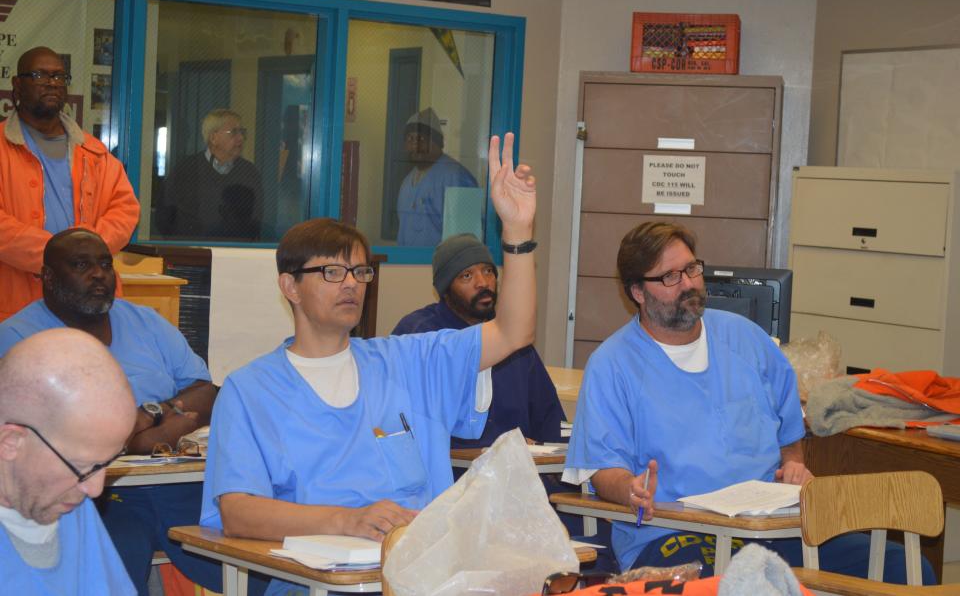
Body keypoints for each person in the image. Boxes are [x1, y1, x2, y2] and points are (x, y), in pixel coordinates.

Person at [200, 133, 536, 596]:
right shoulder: (251, 390)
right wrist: (346, 521)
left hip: (425, 578)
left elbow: (513, 331)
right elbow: (237, 510)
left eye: (360, 272)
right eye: (331, 273)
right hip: (317, 583)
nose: (351, 285)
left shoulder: (408, 360)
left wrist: (517, 233)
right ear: (290, 286)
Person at [564, 221, 936, 583]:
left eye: (692, 269)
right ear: (638, 292)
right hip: (671, 531)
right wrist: (631, 488)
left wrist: (792, 464)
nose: (690, 284)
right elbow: (602, 469)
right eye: (670, 277)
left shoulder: (745, 339)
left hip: (768, 525)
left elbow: (788, 431)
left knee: (904, 567)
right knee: (740, 584)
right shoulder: (612, 365)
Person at [0, 228, 221, 595]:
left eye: (105, 264)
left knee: (246, 555)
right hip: (94, 496)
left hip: (175, 480)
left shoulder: (146, 322)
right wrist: (139, 436)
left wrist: (151, 422)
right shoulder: (20, 339)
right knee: (119, 549)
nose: (99, 274)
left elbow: (206, 391)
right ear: (49, 278)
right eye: (81, 265)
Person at [0, 46, 139, 321]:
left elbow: (125, 211)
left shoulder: (93, 150)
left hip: (91, 303)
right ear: (17, 84)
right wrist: (59, 257)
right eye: (40, 75)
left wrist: (85, 258)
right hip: (18, 303)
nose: (52, 83)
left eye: (59, 77)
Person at [392, 232, 564, 449]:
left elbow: (550, 419)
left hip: (521, 473)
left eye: (488, 271)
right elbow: (404, 425)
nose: (483, 283)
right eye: (467, 276)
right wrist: (502, 449)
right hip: (452, 475)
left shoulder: (514, 339)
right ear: (445, 290)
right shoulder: (420, 335)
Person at [0, 327, 137, 595]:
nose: (96, 489)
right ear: (10, 443)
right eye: (83, 467)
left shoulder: (67, 499)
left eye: (106, 463)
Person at [161, 108, 262, 240]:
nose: (241, 138)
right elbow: (164, 216)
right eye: (234, 132)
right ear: (213, 138)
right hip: (192, 252)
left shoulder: (249, 172)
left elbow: (256, 219)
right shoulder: (186, 170)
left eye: (242, 132)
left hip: (237, 253)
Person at [396, 107, 478, 246]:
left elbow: (467, 244)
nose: (415, 143)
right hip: (407, 265)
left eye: (421, 138)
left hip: (441, 266)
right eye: (410, 138)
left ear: (437, 143)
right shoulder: (406, 183)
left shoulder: (458, 178)